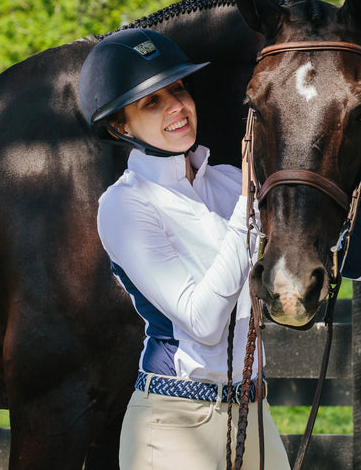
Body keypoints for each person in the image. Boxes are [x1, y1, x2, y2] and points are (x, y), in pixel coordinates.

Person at [78, 28, 291, 470]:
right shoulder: (124, 204)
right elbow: (202, 322)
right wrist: (248, 212)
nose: (176, 106)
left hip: (255, 414)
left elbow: (358, 268)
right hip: (175, 424)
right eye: (151, 101)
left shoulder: (231, 181)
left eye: (178, 89)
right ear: (120, 125)